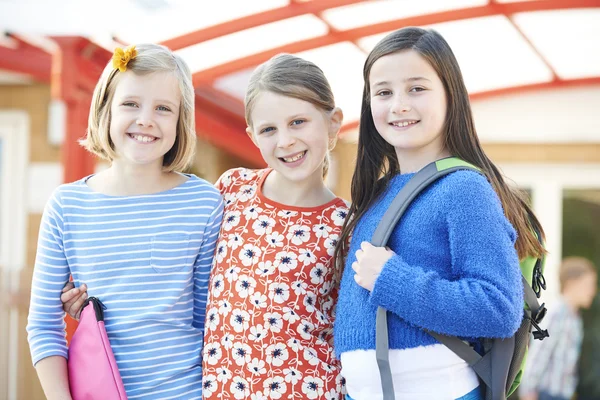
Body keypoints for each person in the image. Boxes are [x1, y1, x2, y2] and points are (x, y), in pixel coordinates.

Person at [61, 53, 349, 399]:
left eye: (298, 122)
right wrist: (97, 295)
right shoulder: (232, 190)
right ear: (252, 136)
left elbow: (352, 332)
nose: (285, 140)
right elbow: (178, 277)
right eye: (269, 129)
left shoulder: (346, 225)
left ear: (333, 123)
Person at [333, 27, 545, 400]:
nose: (398, 104)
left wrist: (391, 278)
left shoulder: (464, 189)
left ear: (451, 95)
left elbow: (498, 307)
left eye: (416, 88)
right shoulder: (376, 195)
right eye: (383, 92)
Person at [26, 43, 224, 400]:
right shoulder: (67, 206)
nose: (145, 119)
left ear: (181, 121)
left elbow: (208, 318)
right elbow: (43, 325)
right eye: (130, 104)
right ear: (106, 109)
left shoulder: (204, 203)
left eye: (163, 108)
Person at [519, 257, 597, 400]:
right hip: (546, 395)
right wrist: (528, 392)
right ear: (572, 283)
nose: (592, 291)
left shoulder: (575, 318)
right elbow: (539, 353)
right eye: (589, 285)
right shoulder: (556, 313)